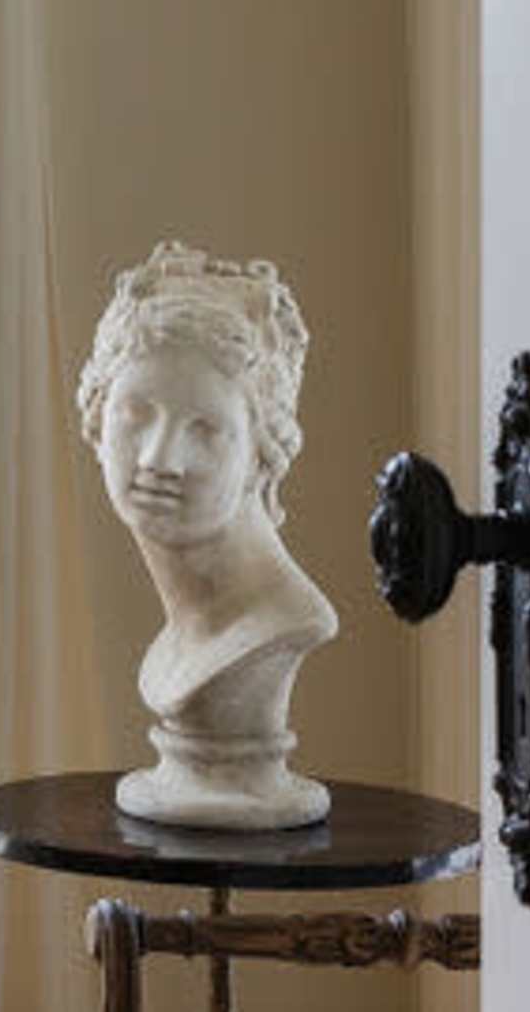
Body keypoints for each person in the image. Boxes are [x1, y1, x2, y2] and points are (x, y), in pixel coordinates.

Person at [75, 242, 339, 832]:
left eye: (206, 428)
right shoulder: (187, 632)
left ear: (260, 453)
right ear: (96, 414)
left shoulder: (285, 623)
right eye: (136, 414)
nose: (159, 458)